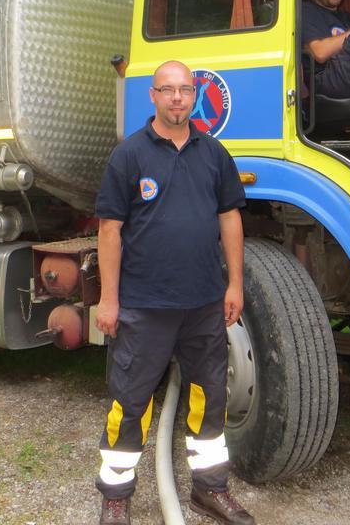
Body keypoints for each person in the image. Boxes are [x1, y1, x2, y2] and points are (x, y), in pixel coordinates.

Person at [93, 60, 254, 525]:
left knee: (210, 396)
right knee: (131, 401)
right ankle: (116, 496)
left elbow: (230, 219)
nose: (178, 98)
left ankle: (210, 489)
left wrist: (235, 284)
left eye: (186, 90)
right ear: (153, 95)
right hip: (145, 305)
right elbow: (109, 229)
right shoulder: (129, 155)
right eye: (168, 90)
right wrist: (109, 298)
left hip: (204, 303)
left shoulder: (214, 153)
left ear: (195, 95)